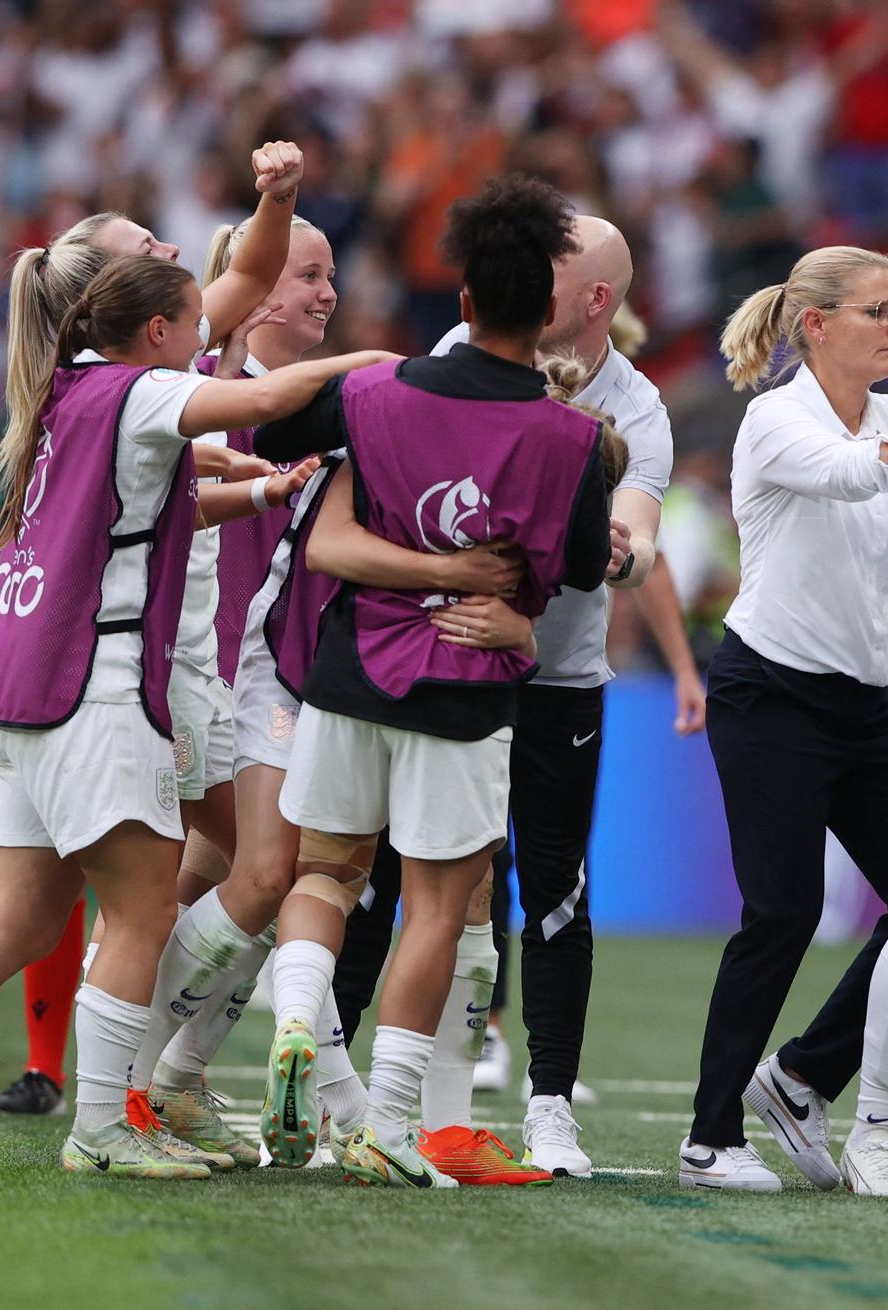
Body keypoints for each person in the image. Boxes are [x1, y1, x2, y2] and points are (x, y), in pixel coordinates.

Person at [0, 254, 394, 1180]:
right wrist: (371, 363)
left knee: (19, 922)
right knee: (143, 909)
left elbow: (152, 506)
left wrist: (256, 492)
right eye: (195, 324)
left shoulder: (57, 399)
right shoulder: (140, 389)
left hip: (8, 685)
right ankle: (109, 1123)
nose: (205, 340)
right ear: (157, 334)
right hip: (91, 680)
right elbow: (261, 400)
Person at [250, 174, 614, 1188]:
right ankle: (391, 1117)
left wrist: (368, 369)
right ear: (546, 310)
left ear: (459, 304)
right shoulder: (571, 436)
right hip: (466, 682)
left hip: (349, 670)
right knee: (437, 906)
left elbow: (271, 430)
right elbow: (585, 567)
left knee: (323, 872)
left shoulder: (370, 394)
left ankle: (292, 1028)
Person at [332, 212, 674, 1178]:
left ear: (593, 299)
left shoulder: (638, 409)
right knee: (397, 877)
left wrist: (617, 551)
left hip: (558, 677)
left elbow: (639, 540)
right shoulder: (458, 352)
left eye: (550, 267)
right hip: (452, 658)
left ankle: (551, 1106)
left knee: (556, 890)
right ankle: (339, 1098)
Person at [0, 145, 303, 1117]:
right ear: (117, 303)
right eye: (141, 246)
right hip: (166, 664)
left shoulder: (121, 372)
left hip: (159, 660)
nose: (169, 245)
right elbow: (252, 373)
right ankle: (156, 1081)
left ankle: (150, 1076)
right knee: (261, 869)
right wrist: (385, 375)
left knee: (196, 879)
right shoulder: (143, 382)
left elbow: (245, 274)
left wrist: (273, 198)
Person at [679, 245, 888, 1193]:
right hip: (770, 693)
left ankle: (800, 1077)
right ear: (816, 325)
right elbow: (849, 475)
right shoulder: (772, 420)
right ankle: (710, 1139)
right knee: (783, 913)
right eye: (878, 310)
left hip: (869, 700)